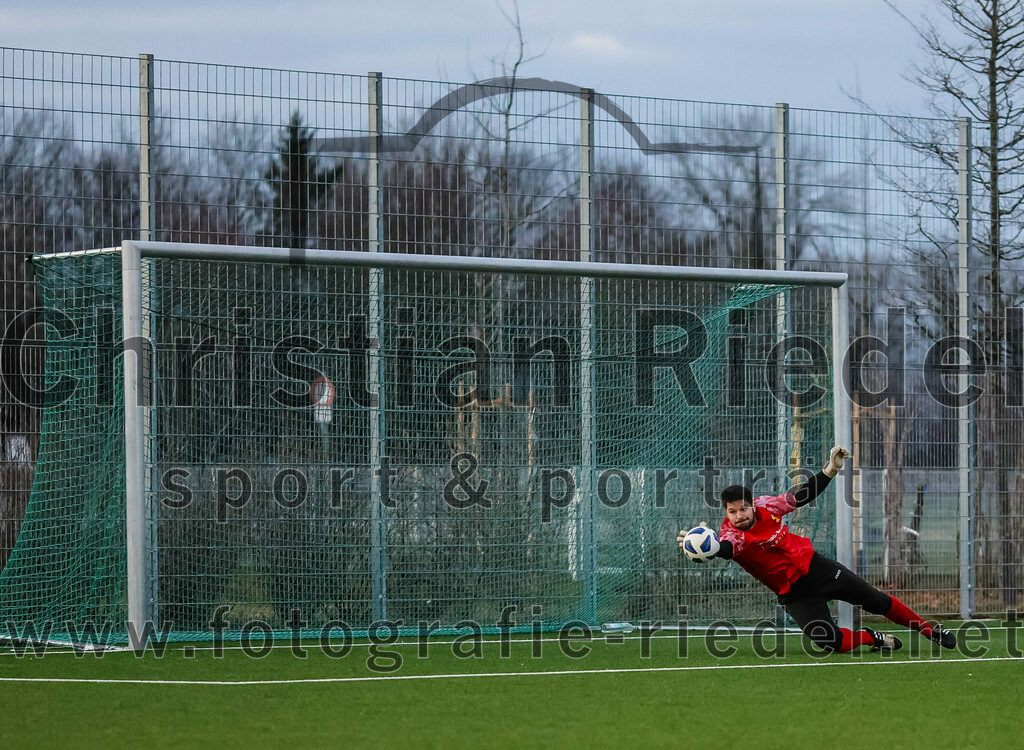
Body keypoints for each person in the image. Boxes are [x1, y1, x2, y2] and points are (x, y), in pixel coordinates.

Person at [678, 446, 958, 654]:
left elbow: (800, 496)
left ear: (752, 505)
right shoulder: (731, 534)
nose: (739, 515)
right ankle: (870, 637)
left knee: (877, 601)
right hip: (794, 593)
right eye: (732, 511)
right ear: (726, 513)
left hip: (817, 569)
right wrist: (708, 547)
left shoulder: (767, 506)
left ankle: (930, 631)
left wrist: (829, 471)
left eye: (743, 509)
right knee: (831, 643)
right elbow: (728, 548)